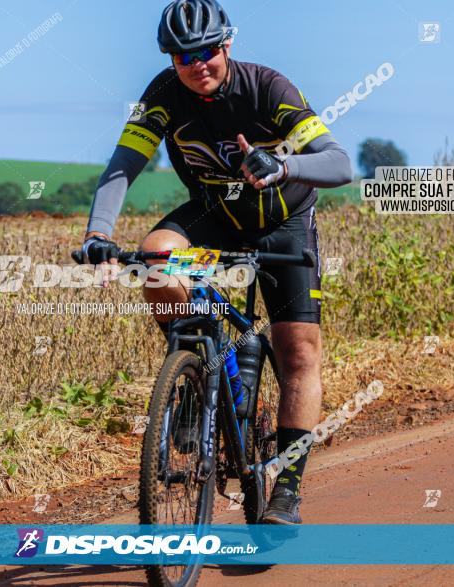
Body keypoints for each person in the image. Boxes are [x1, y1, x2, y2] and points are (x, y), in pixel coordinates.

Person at [79, 0, 353, 525]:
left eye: (206, 51)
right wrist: (98, 232)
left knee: (298, 351)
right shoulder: (162, 93)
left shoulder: (268, 88)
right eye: (183, 56)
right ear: (170, 59)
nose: (196, 64)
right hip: (215, 212)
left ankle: (288, 490)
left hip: (283, 221)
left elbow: (339, 164)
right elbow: (123, 165)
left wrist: (283, 163)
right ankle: (195, 371)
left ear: (226, 45)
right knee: (156, 257)